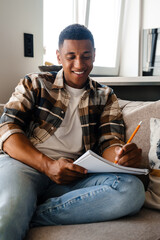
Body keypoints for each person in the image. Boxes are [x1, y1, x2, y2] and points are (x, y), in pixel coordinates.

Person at [0, 24, 145, 240]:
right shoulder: (35, 83)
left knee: (131, 190)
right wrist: (48, 166)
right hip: (26, 166)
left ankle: (30, 213)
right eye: (71, 56)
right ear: (59, 57)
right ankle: (19, 208)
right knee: (10, 208)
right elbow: (7, 129)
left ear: (94, 55)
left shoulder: (105, 96)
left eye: (86, 56)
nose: (79, 64)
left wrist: (119, 156)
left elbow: (109, 141)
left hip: (74, 175)